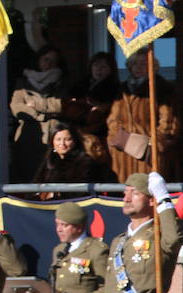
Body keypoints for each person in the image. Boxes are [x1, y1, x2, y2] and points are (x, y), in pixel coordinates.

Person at [106, 51, 179, 182]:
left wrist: (153, 145)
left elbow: (168, 121)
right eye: (135, 63)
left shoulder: (162, 88)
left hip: (148, 154)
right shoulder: (122, 90)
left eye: (143, 63)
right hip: (124, 152)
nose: (138, 67)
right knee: (126, 192)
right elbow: (113, 119)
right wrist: (118, 138)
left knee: (147, 190)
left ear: (152, 66)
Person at [10, 45, 69, 182]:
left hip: (54, 137)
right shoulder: (22, 82)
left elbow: (61, 105)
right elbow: (17, 107)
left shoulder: (63, 82)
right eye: (46, 59)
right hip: (29, 138)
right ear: (38, 60)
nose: (49, 64)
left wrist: (36, 105)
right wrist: (42, 115)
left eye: (54, 61)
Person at [32, 122, 112, 198]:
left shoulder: (85, 162)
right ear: (52, 141)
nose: (62, 144)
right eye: (58, 139)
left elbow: (82, 190)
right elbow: (36, 184)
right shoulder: (49, 160)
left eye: (67, 139)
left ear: (74, 141)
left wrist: (58, 194)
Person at [66, 51, 120, 152]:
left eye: (103, 67)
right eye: (96, 65)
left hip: (100, 134)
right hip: (77, 132)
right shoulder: (80, 86)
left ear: (111, 69)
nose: (98, 70)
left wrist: (100, 107)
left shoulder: (114, 89)